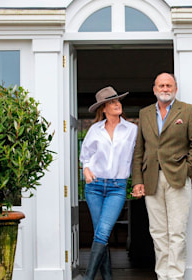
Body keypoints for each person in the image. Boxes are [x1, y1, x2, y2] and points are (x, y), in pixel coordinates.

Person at [131, 72, 192, 280]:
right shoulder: (144, 114)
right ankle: (163, 276)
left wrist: (188, 170)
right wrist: (137, 181)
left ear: (175, 89)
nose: (165, 89)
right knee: (158, 233)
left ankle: (176, 276)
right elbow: (139, 150)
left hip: (178, 178)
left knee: (177, 232)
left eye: (168, 85)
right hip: (151, 179)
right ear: (154, 89)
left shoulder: (188, 111)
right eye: (161, 85)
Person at [80, 86, 137, 280]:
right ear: (103, 108)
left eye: (118, 101)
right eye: (112, 102)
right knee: (101, 235)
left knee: (103, 232)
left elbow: (138, 158)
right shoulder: (94, 130)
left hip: (117, 188)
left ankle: (88, 278)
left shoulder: (132, 130)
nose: (117, 104)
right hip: (94, 187)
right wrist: (86, 169)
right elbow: (85, 156)